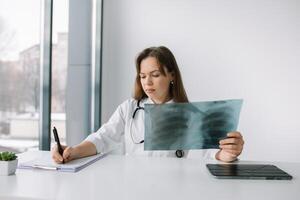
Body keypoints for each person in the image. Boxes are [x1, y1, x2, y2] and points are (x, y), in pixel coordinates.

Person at [52, 46, 244, 163]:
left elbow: (211, 154)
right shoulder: (129, 108)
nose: (147, 83)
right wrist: (73, 151)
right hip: (133, 186)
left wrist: (228, 153)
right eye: (143, 76)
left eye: (155, 75)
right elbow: (102, 138)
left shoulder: (191, 114)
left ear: (172, 76)